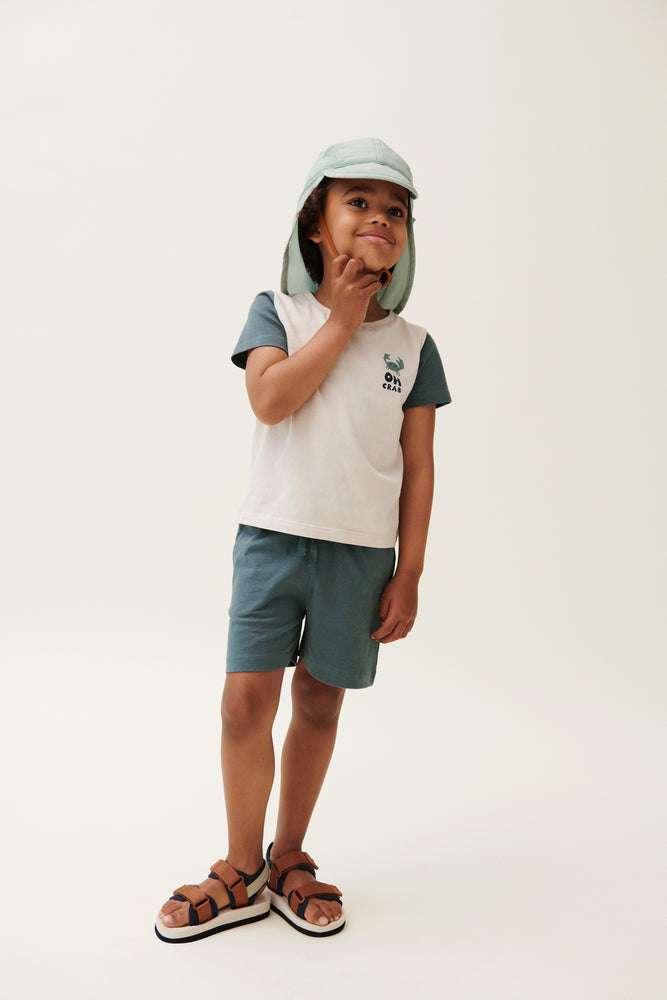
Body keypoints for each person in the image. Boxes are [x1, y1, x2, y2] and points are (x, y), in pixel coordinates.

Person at [155, 138, 451, 942]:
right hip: (273, 539)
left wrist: (410, 572)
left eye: (395, 209)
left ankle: (289, 856)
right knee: (244, 703)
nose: (380, 217)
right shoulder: (277, 313)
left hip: (362, 554)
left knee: (319, 701)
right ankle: (240, 866)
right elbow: (270, 400)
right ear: (314, 225)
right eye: (358, 201)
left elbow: (418, 466)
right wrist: (342, 320)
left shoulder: (413, 347)